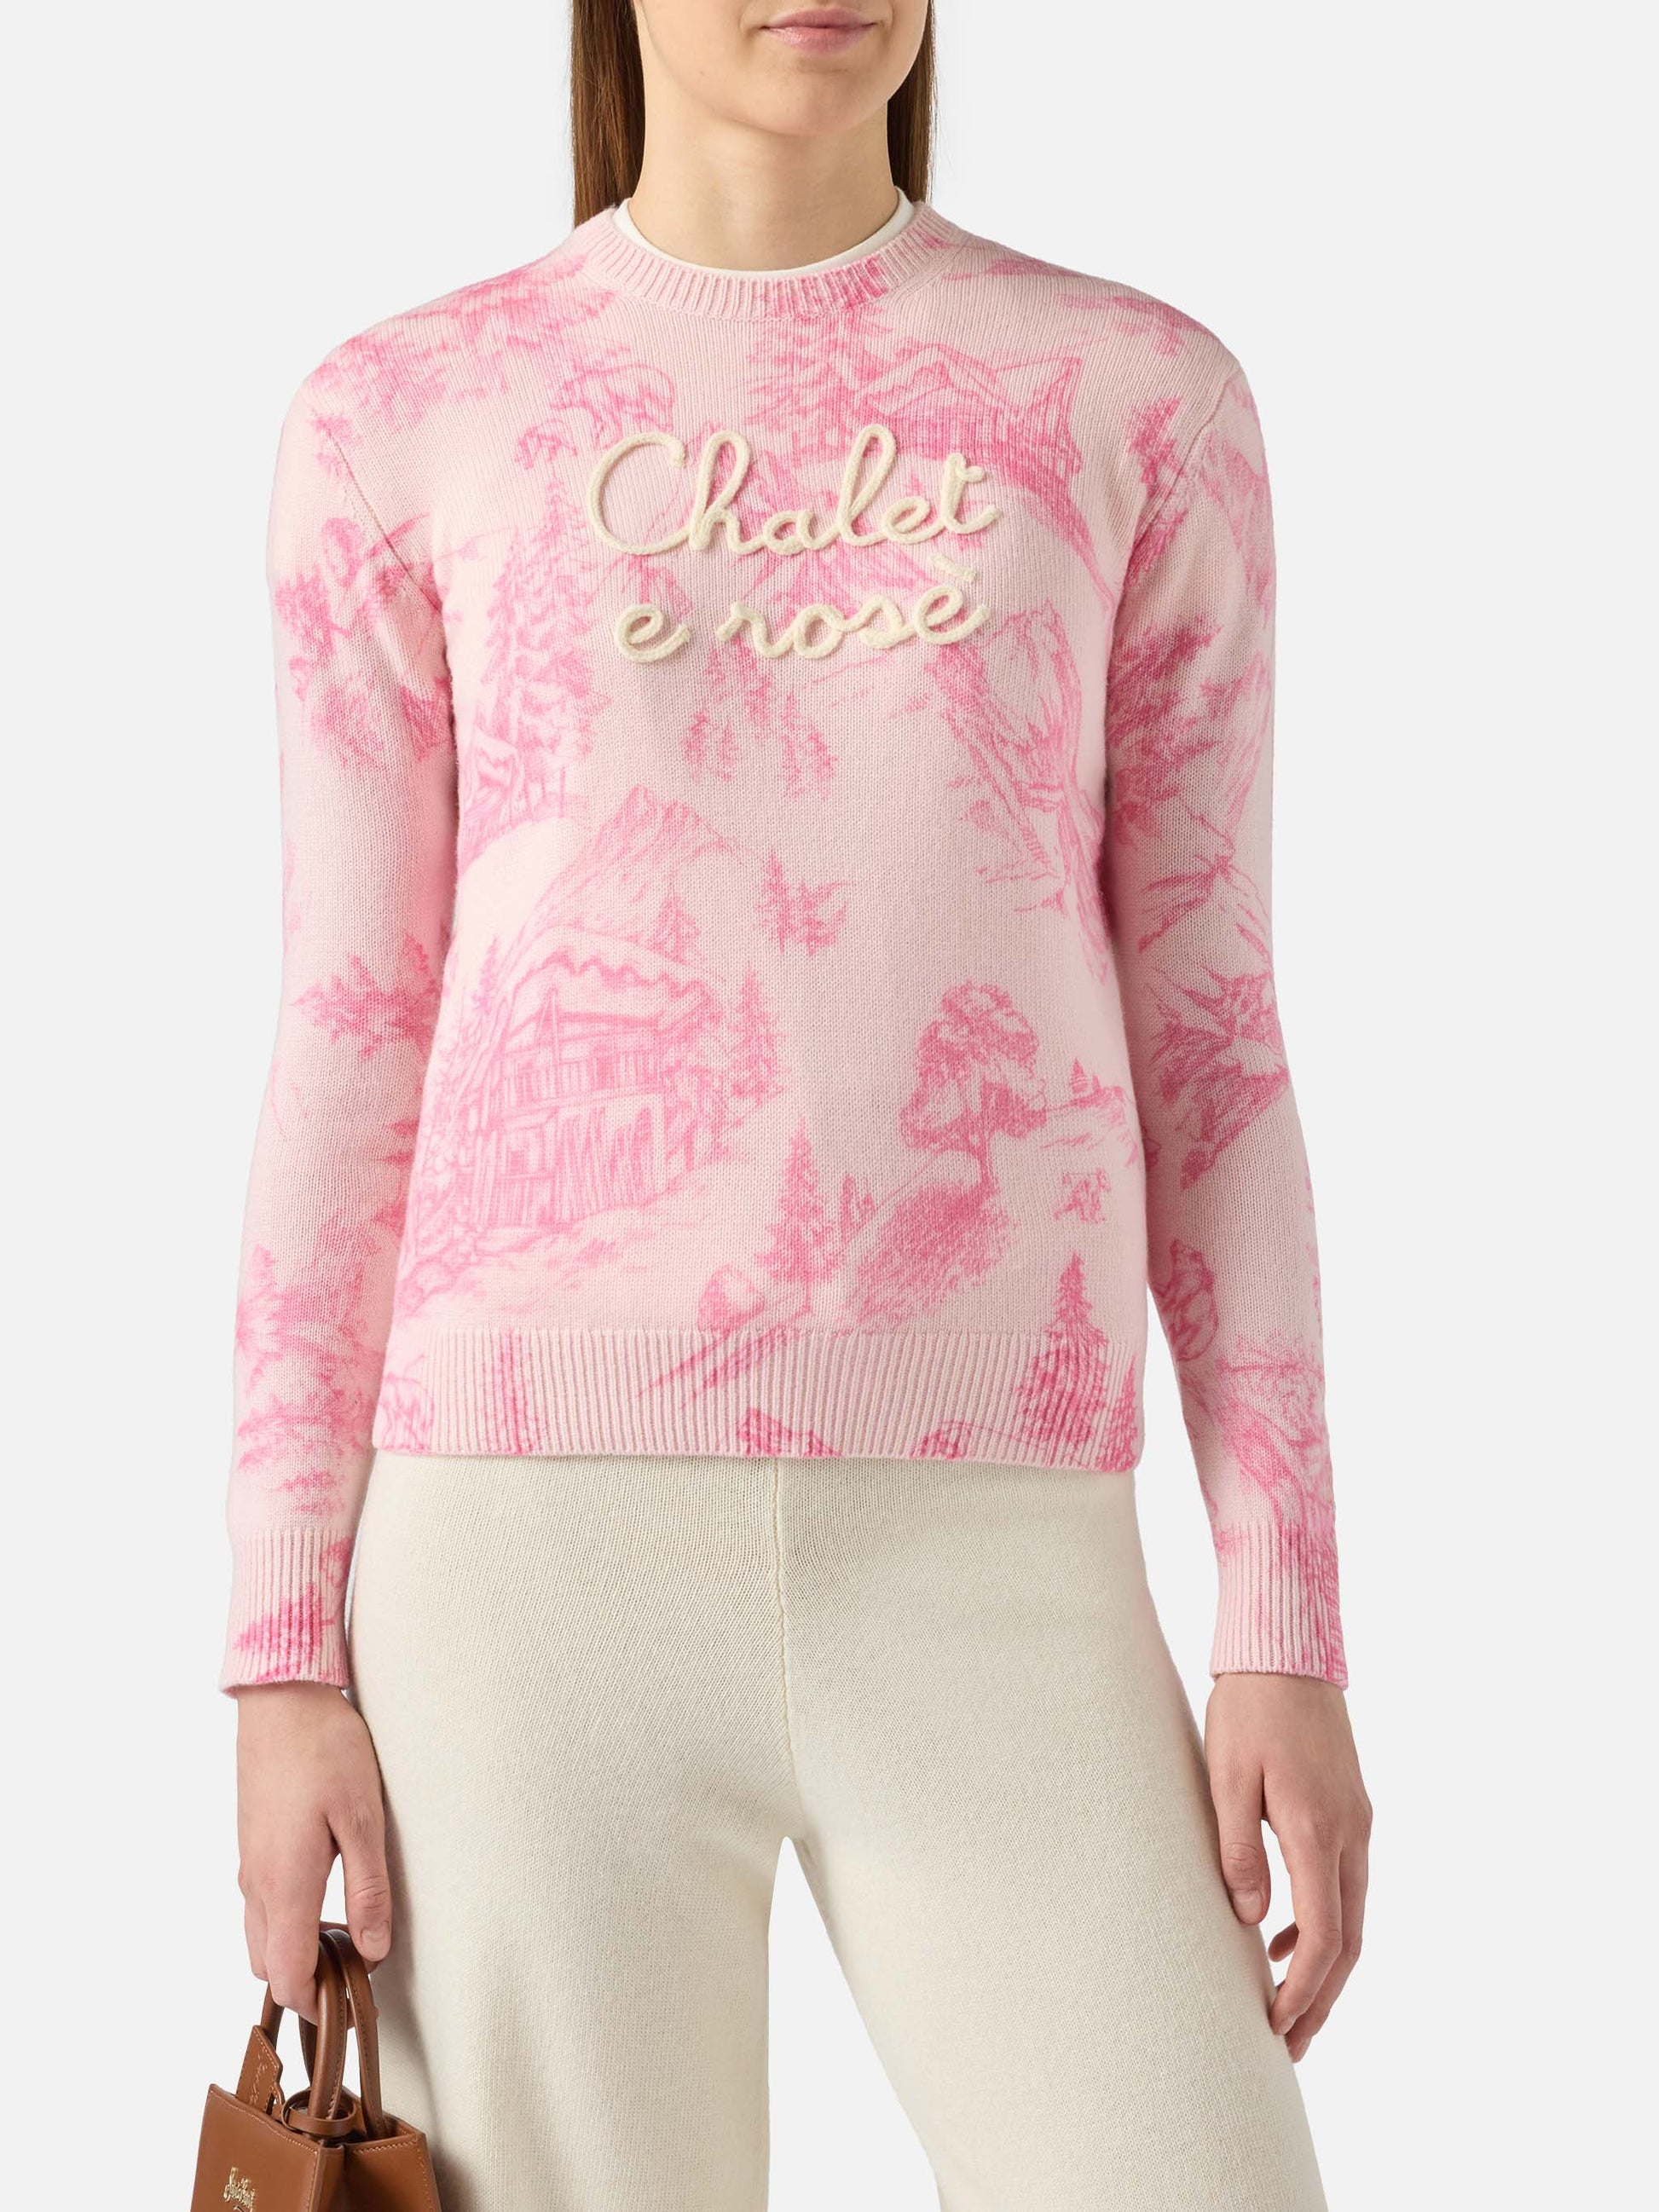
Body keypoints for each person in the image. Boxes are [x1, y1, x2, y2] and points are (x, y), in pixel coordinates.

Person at [228, 3, 1370, 2205]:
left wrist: (1282, 1622)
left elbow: (1212, 1038)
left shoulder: (1138, 401)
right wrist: (280, 1657)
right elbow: (352, 1031)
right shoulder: (403, 417)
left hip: (1004, 1556)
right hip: (519, 1572)